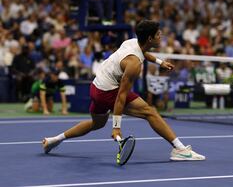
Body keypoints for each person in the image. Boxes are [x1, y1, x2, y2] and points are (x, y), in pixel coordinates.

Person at [42, 20, 205, 161]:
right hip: (108, 91)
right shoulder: (134, 65)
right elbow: (121, 96)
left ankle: (55, 140)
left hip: (96, 86)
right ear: (149, 38)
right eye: (158, 34)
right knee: (150, 112)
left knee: (97, 124)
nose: (161, 36)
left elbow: (144, 53)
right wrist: (116, 127)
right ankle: (180, 150)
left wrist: (159, 62)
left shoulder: (132, 42)